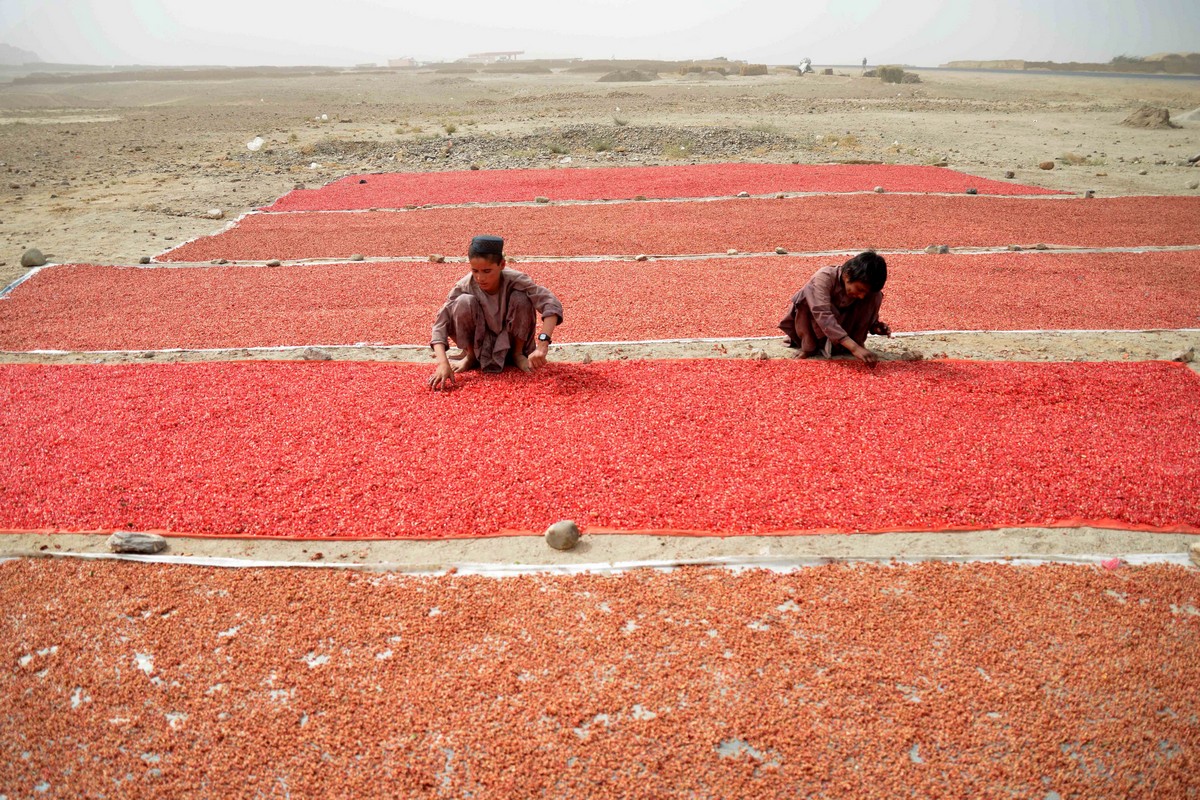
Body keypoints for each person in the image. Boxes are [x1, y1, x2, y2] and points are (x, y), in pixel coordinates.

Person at [428, 235, 563, 390]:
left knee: (521, 298)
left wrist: (542, 345)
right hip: (480, 343)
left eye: (487, 271)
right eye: (475, 271)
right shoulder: (464, 285)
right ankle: (471, 356)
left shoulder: (516, 280)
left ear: (502, 264)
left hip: (512, 338)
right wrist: (443, 364)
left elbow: (550, 303)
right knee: (463, 302)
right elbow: (440, 324)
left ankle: (517, 354)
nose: (480, 278)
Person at [778, 251, 891, 366]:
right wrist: (854, 348)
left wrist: (874, 326)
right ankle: (809, 346)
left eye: (864, 293)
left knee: (875, 296)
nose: (861, 296)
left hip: (845, 327)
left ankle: (851, 342)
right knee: (806, 297)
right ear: (847, 275)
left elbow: (866, 308)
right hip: (815, 327)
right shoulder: (824, 277)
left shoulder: (863, 294)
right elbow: (822, 314)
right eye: (860, 289)